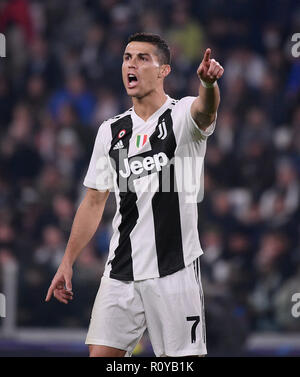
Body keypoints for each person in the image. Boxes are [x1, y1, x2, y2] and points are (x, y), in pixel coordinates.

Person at [45, 32, 224, 357]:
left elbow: (205, 111)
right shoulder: (110, 131)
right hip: (120, 272)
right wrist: (67, 260)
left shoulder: (181, 116)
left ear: (163, 70)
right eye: (128, 57)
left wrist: (209, 86)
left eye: (143, 58)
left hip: (174, 271)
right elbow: (94, 201)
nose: (132, 64)